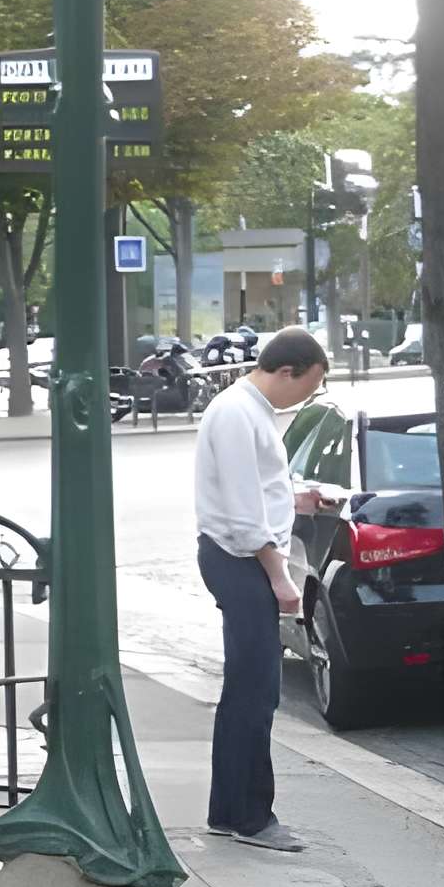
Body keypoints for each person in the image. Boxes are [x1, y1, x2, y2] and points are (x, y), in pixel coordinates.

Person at [190, 325, 333, 851]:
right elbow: (245, 511)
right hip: (242, 559)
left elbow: (256, 490)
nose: (309, 397)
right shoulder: (237, 412)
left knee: (254, 689)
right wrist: (281, 578)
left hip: (243, 555)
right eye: (310, 386)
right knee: (253, 691)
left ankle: (236, 810)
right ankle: (246, 816)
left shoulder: (248, 411)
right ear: (287, 371)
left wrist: (296, 499)